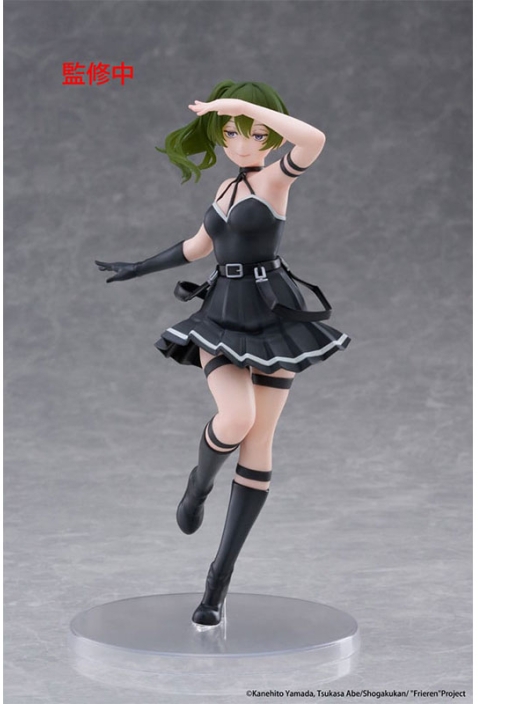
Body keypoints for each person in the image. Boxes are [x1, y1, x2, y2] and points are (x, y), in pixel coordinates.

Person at [95, 80, 350, 628]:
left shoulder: (275, 179)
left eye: (253, 132)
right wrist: (137, 267)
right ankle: (199, 485)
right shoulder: (224, 187)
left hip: (273, 312)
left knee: (258, 441)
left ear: (270, 132)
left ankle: (218, 580)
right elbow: (197, 246)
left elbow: (314, 139)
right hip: (222, 312)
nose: (240, 141)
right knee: (236, 417)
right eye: (230, 131)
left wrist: (241, 105)